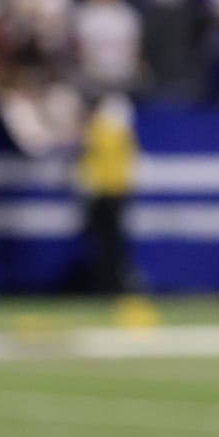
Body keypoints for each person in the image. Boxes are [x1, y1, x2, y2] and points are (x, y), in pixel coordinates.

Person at [78, 92, 139, 295]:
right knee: (108, 243)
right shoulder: (103, 132)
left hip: (110, 192)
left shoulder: (105, 132)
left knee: (110, 243)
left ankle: (110, 282)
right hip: (107, 193)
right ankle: (108, 283)